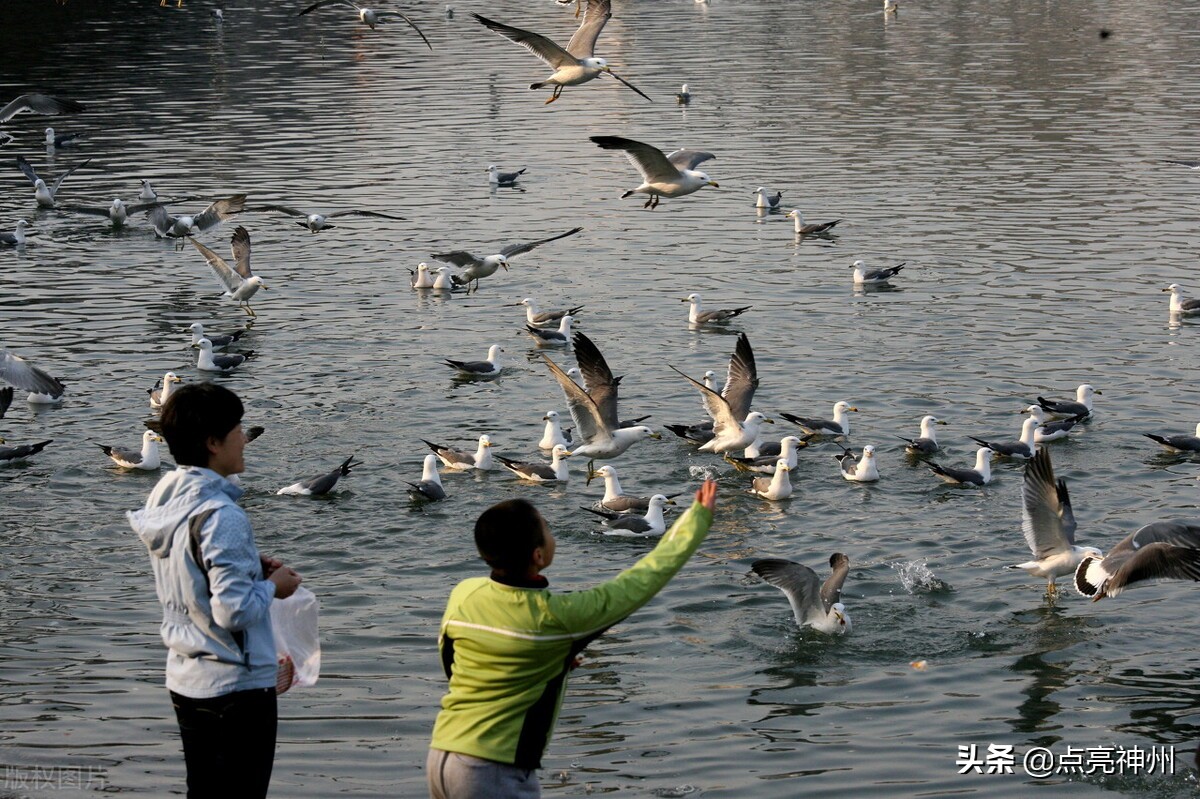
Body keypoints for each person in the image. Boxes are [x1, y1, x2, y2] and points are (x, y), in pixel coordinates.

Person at [427, 480, 718, 799]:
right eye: (547, 530)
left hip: (442, 753)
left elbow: (455, 660)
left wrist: (544, 662)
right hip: (495, 769)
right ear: (538, 555)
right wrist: (697, 520)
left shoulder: (464, 593)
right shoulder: (555, 618)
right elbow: (639, 584)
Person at [127, 383, 302, 798]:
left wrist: (249, 568)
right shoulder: (224, 515)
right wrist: (273, 586)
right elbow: (234, 612)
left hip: (186, 677)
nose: (244, 438)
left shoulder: (163, 499)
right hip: (235, 688)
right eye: (237, 429)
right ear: (212, 442)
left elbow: (190, 572)